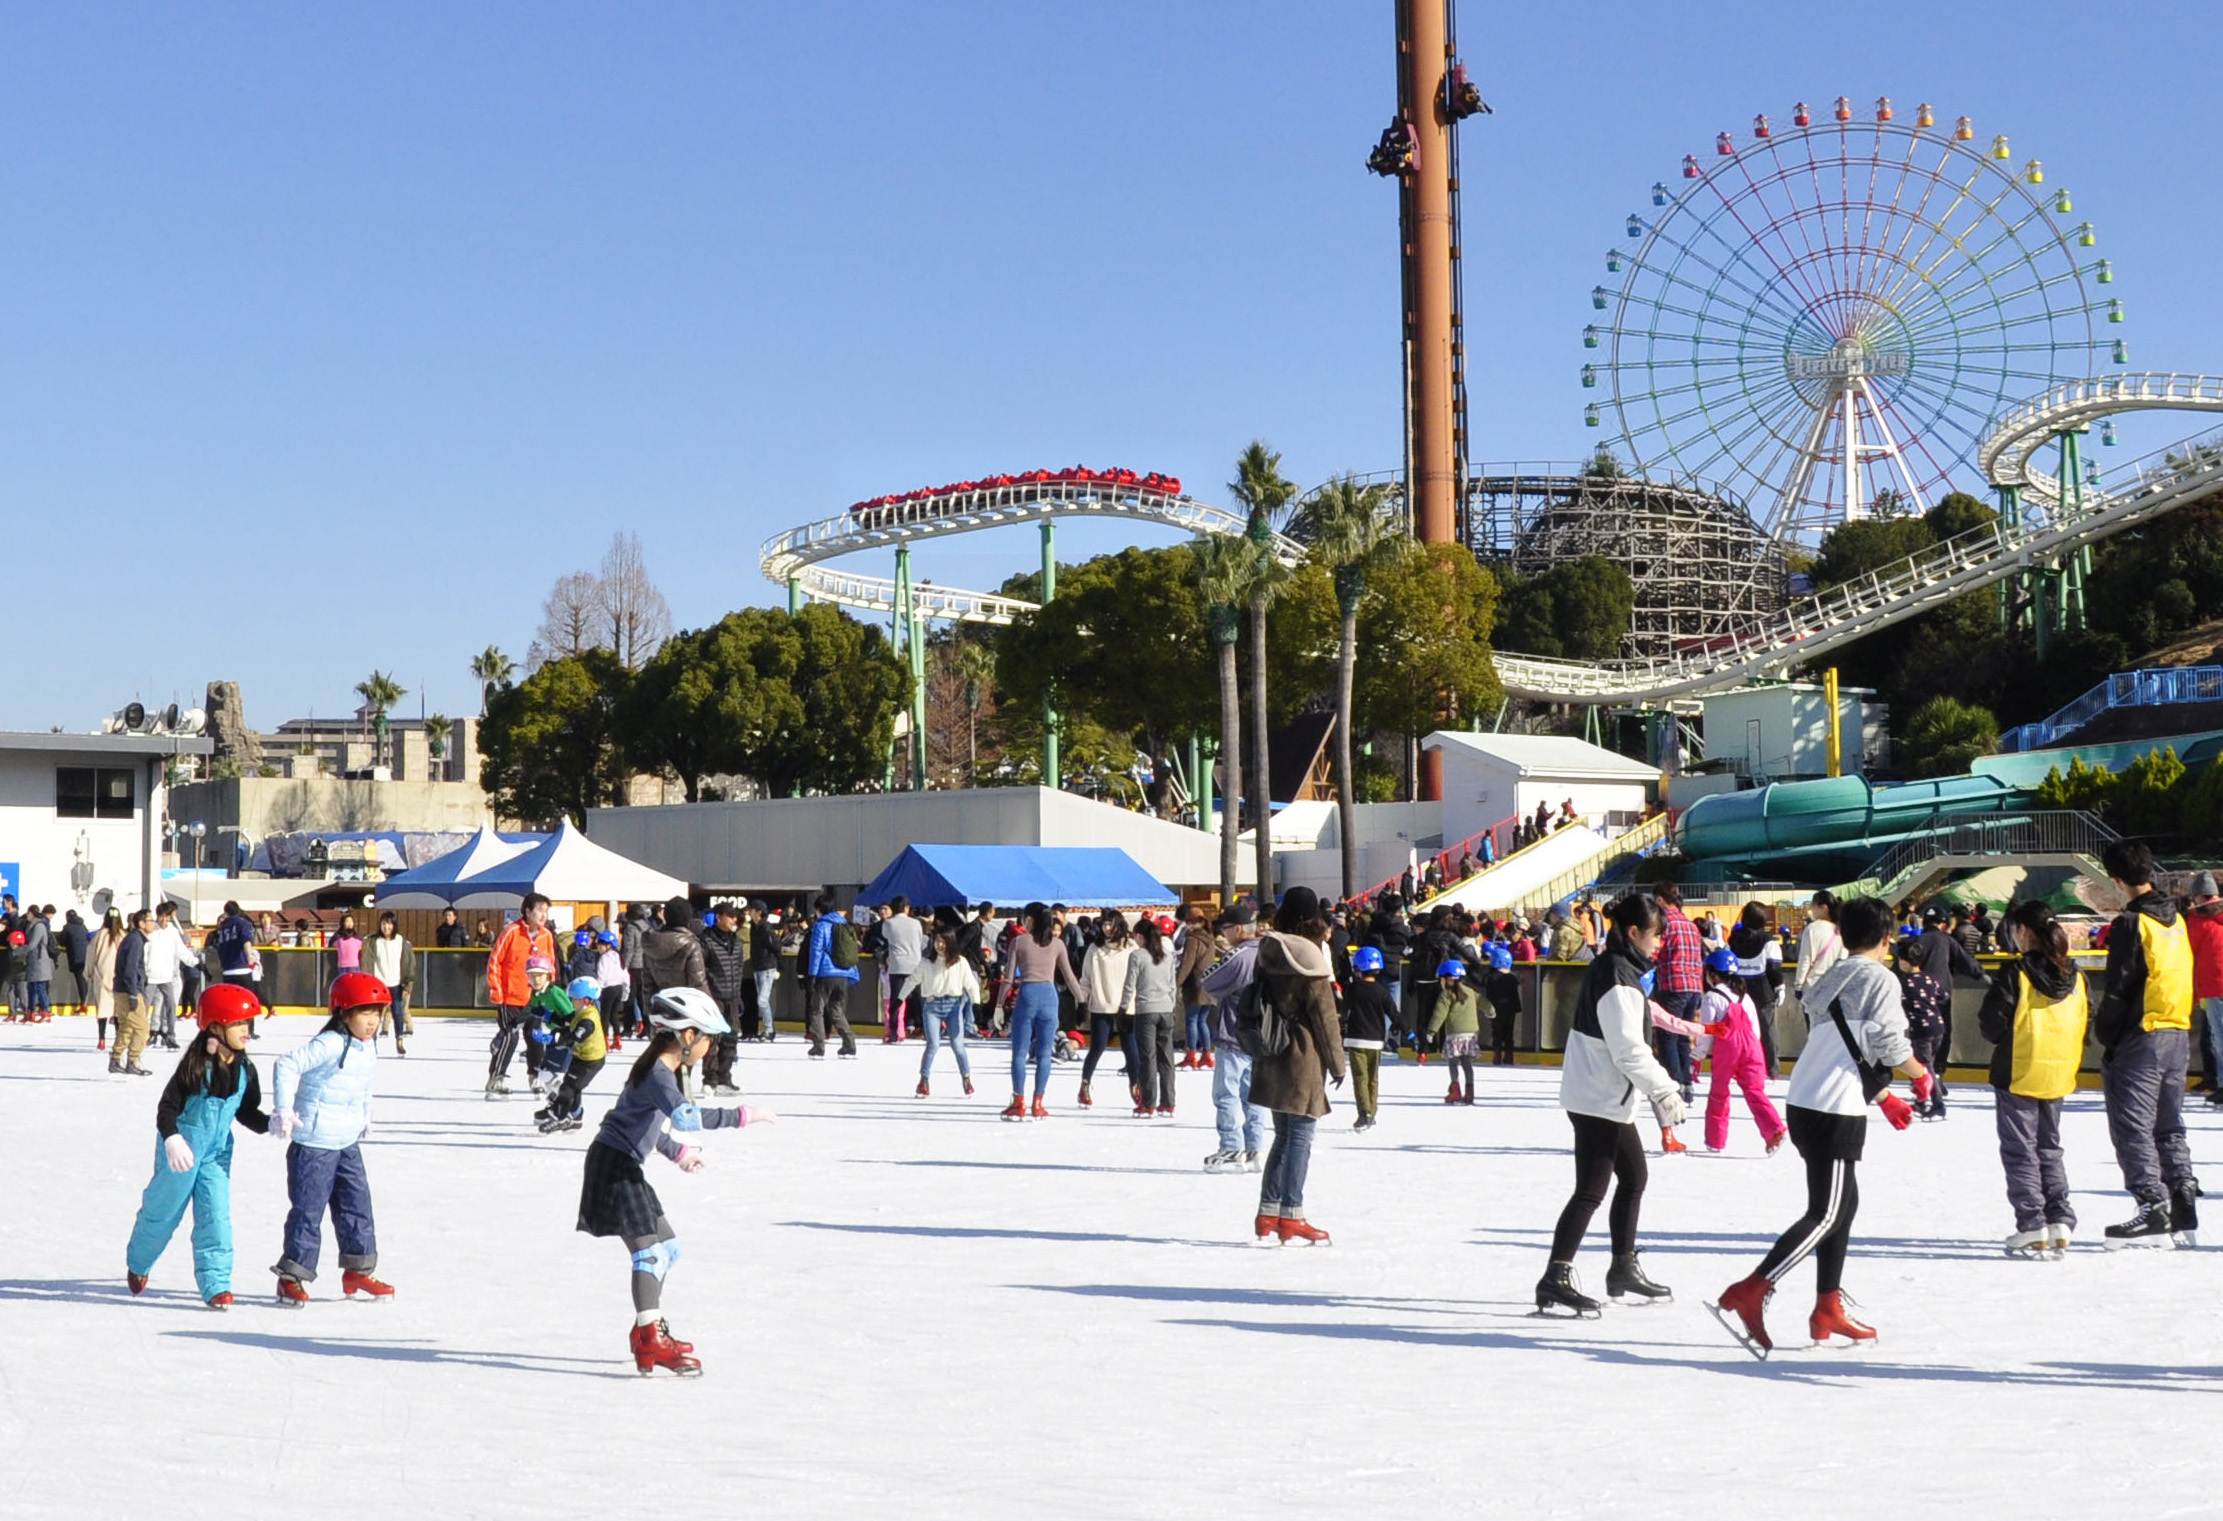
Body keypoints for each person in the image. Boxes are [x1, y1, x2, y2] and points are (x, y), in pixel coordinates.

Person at [1709, 897, 1933, 1357]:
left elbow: (1844, 1047)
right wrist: (1921, 1074)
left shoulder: (1831, 975)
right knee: (1828, 1212)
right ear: (1887, 940)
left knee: (1843, 1205)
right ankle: (1753, 1288)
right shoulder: (1881, 980)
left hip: (1808, 1100)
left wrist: (1883, 1095)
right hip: (1833, 1108)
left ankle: (1827, 1306)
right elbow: (1890, 1046)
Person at [575, 986, 774, 1375]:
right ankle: (650, 1338)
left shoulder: (657, 1070)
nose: (710, 1048)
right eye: (708, 1039)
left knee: (669, 1247)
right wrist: (743, 1115)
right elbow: (687, 1118)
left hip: (621, 1163)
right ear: (688, 1036)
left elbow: (646, 1125)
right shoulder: (658, 1075)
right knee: (649, 1252)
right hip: (613, 1166)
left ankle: (647, 1330)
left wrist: (678, 1152)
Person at [1537, 892, 1689, 1316]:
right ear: (1634, 932)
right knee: (1591, 1190)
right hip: (1598, 1097)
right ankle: (1556, 1276)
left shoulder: (1618, 970)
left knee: (1633, 1176)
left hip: (1598, 1093)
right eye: (1657, 936)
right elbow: (1629, 1050)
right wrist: (1665, 1089)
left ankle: (1622, 1266)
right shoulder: (1618, 976)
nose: (1660, 944)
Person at [123, 983, 272, 1308]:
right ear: (215, 1026)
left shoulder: (245, 1070)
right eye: (238, 1025)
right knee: (161, 1213)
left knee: (215, 1217)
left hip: (215, 1156)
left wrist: (270, 1124)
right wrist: (172, 1138)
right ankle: (139, 1261)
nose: (246, 1031)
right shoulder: (194, 1067)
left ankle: (216, 1284)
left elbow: (246, 1112)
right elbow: (167, 1108)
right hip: (181, 1154)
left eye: (248, 1024)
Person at [2091, 839, 2202, 1246]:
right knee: (2169, 1125)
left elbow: (2120, 987)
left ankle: (2152, 1203)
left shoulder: (2131, 923)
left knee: (2132, 1125)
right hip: (2177, 1032)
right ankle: (2181, 1191)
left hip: (2142, 1036)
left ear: (2117, 879)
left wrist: (2106, 1035)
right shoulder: (2176, 919)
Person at [270, 971, 394, 1305]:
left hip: (346, 1141)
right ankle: (291, 1276)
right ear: (344, 1012)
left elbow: (363, 1085)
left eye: (377, 1014)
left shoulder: (367, 1047)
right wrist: (284, 1108)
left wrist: (364, 1115)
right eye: (365, 1013)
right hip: (314, 1144)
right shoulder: (331, 1043)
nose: (372, 1022)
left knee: (357, 1207)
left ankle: (358, 1270)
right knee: (308, 1212)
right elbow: (286, 1064)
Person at [1977, 900, 2089, 1255]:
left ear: (2024, 931)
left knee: (2020, 1150)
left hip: (2018, 1070)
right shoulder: (2075, 975)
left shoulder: (2017, 974)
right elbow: (2088, 1022)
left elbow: (1991, 1023)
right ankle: (2059, 1219)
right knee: (2049, 1148)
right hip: (2058, 1070)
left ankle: (2031, 1224)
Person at [1245, 887, 1345, 1246]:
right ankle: (1292, 1214)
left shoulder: (1268, 949)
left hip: (1271, 1051)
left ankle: (1267, 1212)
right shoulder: (1309, 954)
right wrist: (1337, 1063)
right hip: (1303, 1054)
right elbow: (1324, 1016)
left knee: (1283, 1136)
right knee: (1301, 1136)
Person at [1199, 904, 1269, 1171]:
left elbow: (1208, 981)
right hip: (1263, 1036)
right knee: (1255, 1096)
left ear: (1238, 929)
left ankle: (1231, 1147)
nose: (1224, 934)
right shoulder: (1268, 951)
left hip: (1234, 1034)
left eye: (1226, 929)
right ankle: (1255, 1149)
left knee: (1226, 1094)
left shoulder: (1238, 955)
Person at [1697, 947, 1785, 1156]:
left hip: (1727, 1048)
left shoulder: (1711, 997)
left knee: (1719, 1093)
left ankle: (1715, 1141)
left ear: (1712, 974)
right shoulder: (1745, 997)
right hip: (1752, 1047)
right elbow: (1755, 1029)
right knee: (1755, 1092)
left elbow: (1707, 1030)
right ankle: (1774, 1130)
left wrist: (1698, 1055)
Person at [1001, 902, 1084, 1119]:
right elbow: (1069, 976)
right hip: (1049, 997)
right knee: (1045, 1054)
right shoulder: (1057, 944)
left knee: (1019, 1052)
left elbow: (1009, 978)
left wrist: (1000, 1005)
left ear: (1030, 919)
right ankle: (1038, 1102)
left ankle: (1019, 1101)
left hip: (1027, 994)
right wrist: (1082, 1000)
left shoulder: (1018, 942)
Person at [1900, 905, 1982, 1119]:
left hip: (1917, 1002)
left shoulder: (1916, 942)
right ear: (1943, 923)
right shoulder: (1947, 940)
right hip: (1941, 995)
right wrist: (1980, 974)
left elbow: (1902, 965)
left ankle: (1925, 1085)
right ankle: (1937, 1077)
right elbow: (1967, 963)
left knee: (1920, 1048)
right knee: (1941, 1037)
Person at [485, 894, 557, 1097]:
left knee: (535, 1037)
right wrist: (496, 990)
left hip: (535, 998)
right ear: (527, 911)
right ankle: (496, 1078)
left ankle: (535, 1076)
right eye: (539, 909)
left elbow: (550, 965)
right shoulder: (512, 932)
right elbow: (495, 961)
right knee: (511, 1036)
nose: (543, 915)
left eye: (546, 910)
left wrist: (548, 992)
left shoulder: (546, 936)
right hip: (510, 997)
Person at [899, 927, 980, 1097]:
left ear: (950, 942)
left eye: (943, 941)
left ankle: (966, 1078)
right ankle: (924, 1081)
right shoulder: (926, 962)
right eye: (937, 941)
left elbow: (971, 984)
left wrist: (976, 1002)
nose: (939, 945)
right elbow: (912, 980)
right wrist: (900, 998)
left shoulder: (960, 962)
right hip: (932, 1007)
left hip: (954, 1007)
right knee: (933, 1044)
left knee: (958, 1045)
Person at [535, 977, 611, 1133]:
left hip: (591, 1061)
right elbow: (567, 1022)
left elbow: (574, 1037)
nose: (572, 1002)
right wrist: (548, 1016)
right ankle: (574, 1117)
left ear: (586, 1000)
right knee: (573, 1086)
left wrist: (552, 1039)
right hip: (581, 1057)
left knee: (568, 1088)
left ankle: (560, 1117)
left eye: (574, 999)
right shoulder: (582, 1012)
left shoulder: (588, 1020)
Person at [1076, 910, 1136, 1108]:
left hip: (1126, 1005)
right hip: (1101, 1004)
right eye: (1105, 925)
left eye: (1111, 924)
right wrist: (1082, 1001)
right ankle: (1085, 1084)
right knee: (1097, 1046)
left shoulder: (1130, 947)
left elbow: (1140, 974)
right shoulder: (1095, 948)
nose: (1108, 928)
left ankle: (1136, 1086)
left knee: (1130, 1048)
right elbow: (1085, 978)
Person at [1123, 915, 1182, 1116]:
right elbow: (1172, 985)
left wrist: (1124, 1007)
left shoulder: (1137, 956)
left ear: (1140, 936)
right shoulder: (1167, 956)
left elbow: (1130, 984)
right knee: (1167, 1058)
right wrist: (1171, 1005)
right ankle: (1168, 1101)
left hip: (1146, 1011)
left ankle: (1148, 1103)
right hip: (1166, 1009)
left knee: (1147, 1058)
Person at [1727, 902, 1785, 1075]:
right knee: (1767, 1030)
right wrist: (1779, 987)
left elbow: (1728, 965)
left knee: (1740, 1030)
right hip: (1763, 992)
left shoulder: (1733, 939)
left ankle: (1741, 1066)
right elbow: (1774, 968)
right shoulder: (1768, 941)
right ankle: (1772, 1069)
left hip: (1738, 990)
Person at [1342, 945, 1395, 1130]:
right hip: (1376, 1042)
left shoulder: (1351, 990)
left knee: (1360, 1077)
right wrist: (1409, 1033)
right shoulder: (1382, 992)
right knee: (1373, 1078)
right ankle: (1371, 1111)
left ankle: (1364, 1113)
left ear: (1358, 968)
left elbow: (1343, 1011)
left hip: (1356, 1040)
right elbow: (1394, 1014)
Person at [698, 903, 748, 1095]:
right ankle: (709, 1080)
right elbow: (700, 970)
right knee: (711, 1039)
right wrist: (706, 994)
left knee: (731, 1037)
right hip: (713, 997)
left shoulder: (736, 941)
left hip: (732, 996)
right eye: (730, 916)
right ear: (718, 917)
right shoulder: (705, 941)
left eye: (735, 916)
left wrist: (738, 994)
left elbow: (738, 968)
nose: (733, 920)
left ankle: (724, 1078)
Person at [803, 893, 861, 1060]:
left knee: (816, 1010)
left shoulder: (821, 926)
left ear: (819, 910)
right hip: (843, 973)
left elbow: (816, 952)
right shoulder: (845, 924)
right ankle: (849, 1045)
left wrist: (812, 975)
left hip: (825, 973)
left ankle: (818, 1047)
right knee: (836, 1011)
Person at [1791, 891, 1847, 1063]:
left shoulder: (1813, 929)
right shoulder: (1841, 930)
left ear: (1823, 908)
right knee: (1835, 1032)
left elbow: (1806, 958)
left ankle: (1817, 1065)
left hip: (1814, 987)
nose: (1811, 910)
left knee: (1815, 1033)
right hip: (1838, 987)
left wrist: (1798, 985)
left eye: (1813, 906)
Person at [2185, 873, 2223, 1110]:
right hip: (2213, 985)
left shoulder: (2197, 921)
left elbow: (2187, 953)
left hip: (2213, 985)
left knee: (2219, 1038)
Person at [1425, 958, 1485, 1105]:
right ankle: (1470, 1092)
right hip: (1471, 1035)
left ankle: (1455, 1090)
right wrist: (1491, 1011)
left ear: (1446, 979)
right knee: (1467, 1064)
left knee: (1453, 1063)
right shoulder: (1471, 992)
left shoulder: (1446, 995)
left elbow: (1439, 1014)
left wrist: (1431, 1031)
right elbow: (1483, 1001)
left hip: (1455, 1035)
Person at [144, 902, 197, 1052]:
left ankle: (169, 1035)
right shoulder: (151, 931)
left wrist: (194, 962)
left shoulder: (172, 931)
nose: (164, 921)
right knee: (146, 1007)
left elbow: (181, 950)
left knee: (170, 1007)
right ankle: (149, 1032)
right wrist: (144, 970)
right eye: (162, 917)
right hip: (151, 976)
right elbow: (145, 952)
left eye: (167, 917)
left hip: (167, 976)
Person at [112, 909, 154, 1077]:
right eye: (150, 920)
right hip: (128, 990)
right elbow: (130, 969)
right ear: (141, 923)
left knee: (127, 1026)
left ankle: (115, 1059)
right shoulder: (135, 940)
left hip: (123, 988)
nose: (153, 923)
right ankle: (133, 1060)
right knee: (142, 1028)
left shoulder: (134, 939)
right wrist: (133, 993)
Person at [363, 913, 413, 1056]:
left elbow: (409, 964)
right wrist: (368, 981)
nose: (386, 927)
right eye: (384, 923)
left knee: (398, 1012)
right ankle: (372, 1041)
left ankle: (399, 1040)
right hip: (378, 983)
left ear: (394, 925)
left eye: (389, 924)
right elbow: (367, 963)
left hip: (396, 983)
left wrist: (407, 985)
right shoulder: (373, 941)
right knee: (375, 1014)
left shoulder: (401, 941)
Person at [878, 897, 925, 1044]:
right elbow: (919, 938)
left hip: (897, 964)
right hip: (915, 964)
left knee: (896, 999)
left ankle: (893, 1033)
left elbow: (885, 936)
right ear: (906, 908)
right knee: (919, 999)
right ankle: (927, 1029)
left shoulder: (889, 923)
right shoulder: (916, 923)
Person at [1178, 908, 1219, 1069]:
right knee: (1202, 1020)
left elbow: (1187, 963)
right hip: (1209, 984)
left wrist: (1176, 982)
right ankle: (1207, 1054)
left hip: (1195, 984)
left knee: (1191, 1020)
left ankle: (1191, 1054)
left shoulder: (1193, 939)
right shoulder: (1209, 938)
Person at [1482, 941, 1522, 1066]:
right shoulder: (1513, 977)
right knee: (1509, 1032)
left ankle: (1497, 1055)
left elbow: (1480, 981)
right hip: (1511, 1009)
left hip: (1497, 1009)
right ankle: (1509, 1055)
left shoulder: (1492, 976)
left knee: (1497, 1032)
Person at [744, 904, 780, 1041]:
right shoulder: (755, 927)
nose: (749, 912)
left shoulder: (765, 928)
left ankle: (769, 1030)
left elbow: (776, 946)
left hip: (767, 967)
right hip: (758, 967)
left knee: (762, 1000)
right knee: (762, 1000)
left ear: (759, 912)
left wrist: (776, 964)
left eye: (752, 910)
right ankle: (768, 1029)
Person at [61, 908, 90, 1016]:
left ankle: (83, 1004)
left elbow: (62, 941)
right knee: (83, 981)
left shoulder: (67, 927)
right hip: (85, 957)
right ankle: (84, 1003)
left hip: (75, 958)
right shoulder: (83, 926)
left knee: (80, 982)